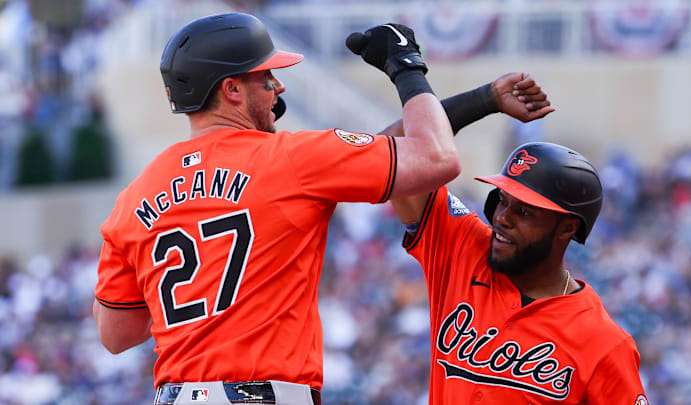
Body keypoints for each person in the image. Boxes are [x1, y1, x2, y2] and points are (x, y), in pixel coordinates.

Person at [91, 12, 544, 405]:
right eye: (265, 77)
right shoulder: (292, 158)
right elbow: (434, 158)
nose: (278, 85)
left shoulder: (133, 196)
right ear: (231, 89)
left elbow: (117, 334)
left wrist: (481, 100)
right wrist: (407, 67)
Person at [387, 118, 650, 401]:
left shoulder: (604, 343)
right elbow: (390, 154)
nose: (502, 217)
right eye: (502, 200)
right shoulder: (464, 250)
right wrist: (484, 100)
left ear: (567, 228)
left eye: (524, 212)